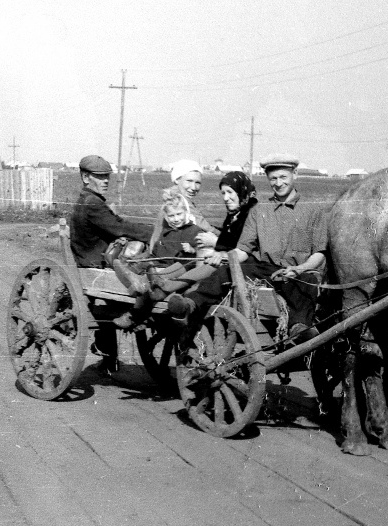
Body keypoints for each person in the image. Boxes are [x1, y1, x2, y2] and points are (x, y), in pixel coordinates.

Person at [167, 154, 326, 343]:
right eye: (273, 178)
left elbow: (319, 253)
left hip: (298, 273)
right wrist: (224, 256)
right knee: (228, 271)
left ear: (295, 174)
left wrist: (300, 268)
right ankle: (190, 303)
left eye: (283, 177)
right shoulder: (259, 211)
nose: (278, 183)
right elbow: (243, 250)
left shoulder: (313, 211)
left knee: (308, 282)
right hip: (266, 270)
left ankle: (299, 328)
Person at [70, 154, 154, 374]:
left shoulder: (89, 200)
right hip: (96, 265)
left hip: (95, 259)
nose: (106, 180)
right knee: (149, 259)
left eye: (107, 176)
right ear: (86, 177)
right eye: (100, 177)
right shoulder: (92, 204)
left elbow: (116, 226)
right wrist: (154, 233)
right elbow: (119, 227)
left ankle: (108, 355)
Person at [146, 171, 257, 297]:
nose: (226, 198)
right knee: (196, 257)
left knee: (206, 259)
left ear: (241, 191)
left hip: (245, 261)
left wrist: (216, 243)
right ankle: (157, 281)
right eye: (223, 193)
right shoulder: (235, 214)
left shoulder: (251, 215)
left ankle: (167, 285)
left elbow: (244, 245)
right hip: (231, 255)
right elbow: (230, 237)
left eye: (230, 192)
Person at [110, 190, 210, 329]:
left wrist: (192, 250)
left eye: (179, 214)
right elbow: (156, 253)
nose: (176, 219)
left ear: (186, 212)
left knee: (150, 281)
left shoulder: (194, 231)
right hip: (159, 266)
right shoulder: (166, 231)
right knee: (143, 264)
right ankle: (131, 276)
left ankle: (134, 314)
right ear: (166, 217)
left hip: (177, 270)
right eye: (171, 216)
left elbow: (199, 256)